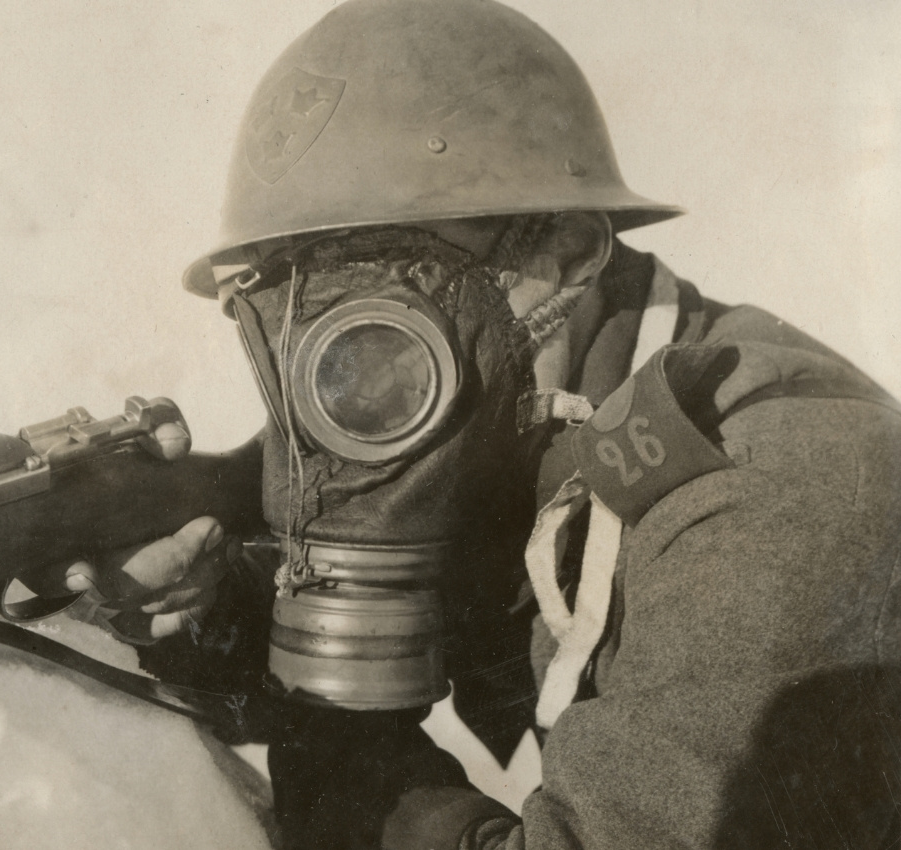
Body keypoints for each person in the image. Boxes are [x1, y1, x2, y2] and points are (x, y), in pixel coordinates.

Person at [46, 1, 901, 847]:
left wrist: (353, 776)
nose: (371, 372)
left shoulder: (776, 492)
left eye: (409, 298)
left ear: (566, 254)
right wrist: (208, 607)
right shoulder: (502, 421)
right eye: (321, 314)